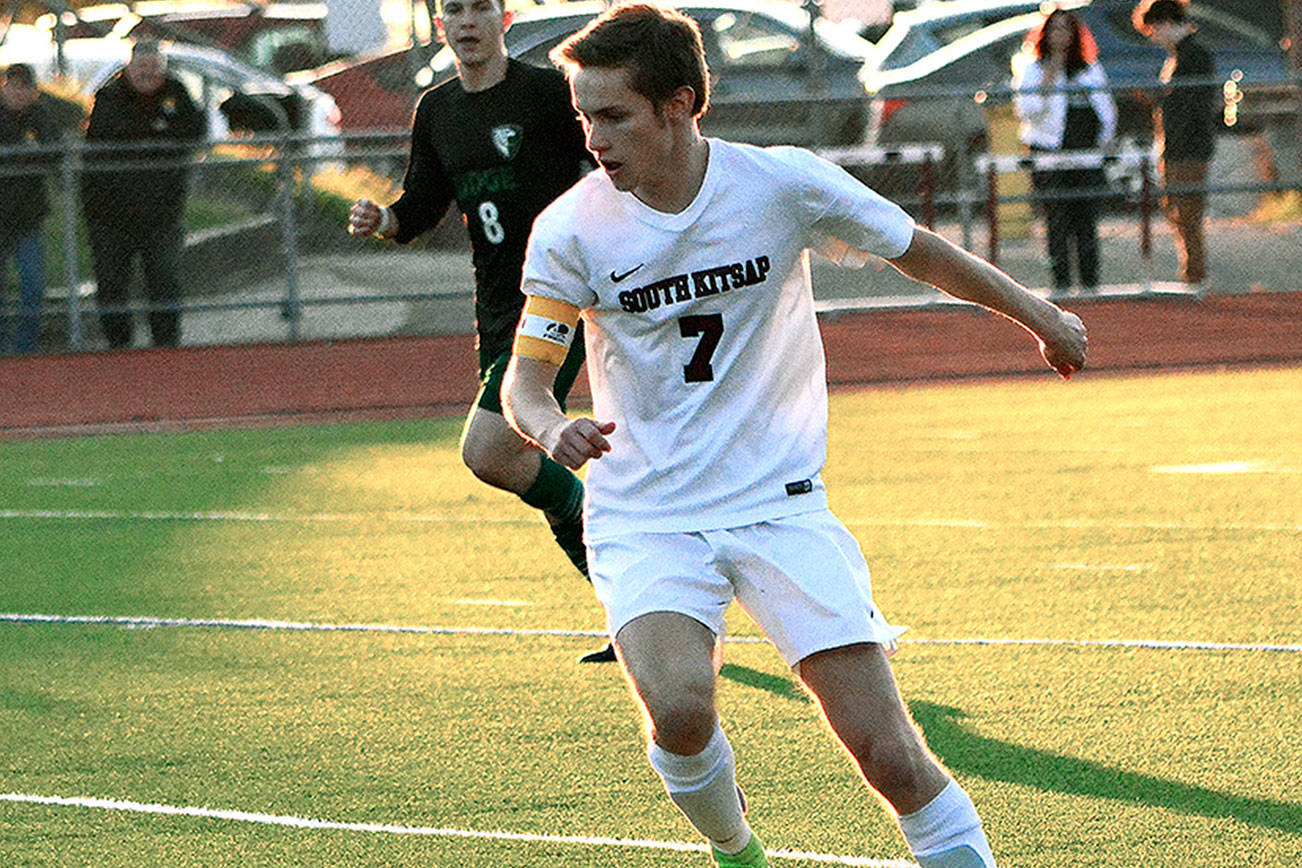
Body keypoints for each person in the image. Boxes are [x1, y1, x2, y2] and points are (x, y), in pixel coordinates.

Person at [501, 4, 1086, 866]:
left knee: (890, 755)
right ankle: (738, 848)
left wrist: (1039, 314)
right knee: (681, 708)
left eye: (613, 114)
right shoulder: (572, 229)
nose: (593, 136)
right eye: (584, 116)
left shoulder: (782, 183)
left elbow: (919, 251)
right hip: (647, 514)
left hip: (780, 507)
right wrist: (552, 427)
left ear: (681, 104)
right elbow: (524, 380)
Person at [346, 0, 613, 663]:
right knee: (513, 456)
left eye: (479, 9)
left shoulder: (550, 93)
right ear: (442, 24)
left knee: (489, 450)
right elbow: (421, 207)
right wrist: (382, 220)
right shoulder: (437, 110)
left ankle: (625, 571)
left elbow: (614, 162)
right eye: (454, 10)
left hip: (561, 299)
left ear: (505, 18)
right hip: (495, 310)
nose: (467, 21)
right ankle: (628, 602)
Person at [82, 40, 206, 349]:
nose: (149, 75)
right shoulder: (109, 97)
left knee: (165, 279)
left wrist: (157, 134)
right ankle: (119, 347)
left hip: (162, 213)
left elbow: (193, 131)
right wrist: (157, 133)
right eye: (142, 68)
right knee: (111, 284)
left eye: (155, 68)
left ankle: (165, 345)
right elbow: (112, 136)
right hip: (110, 215)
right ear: (130, 67)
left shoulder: (175, 93)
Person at [1012, 8, 1117, 294]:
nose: (1061, 35)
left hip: (1085, 151)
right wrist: (1050, 75)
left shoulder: (1089, 67)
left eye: (1066, 29)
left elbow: (1105, 108)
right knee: (1056, 218)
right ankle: (1060, 282)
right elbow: (1027, 110)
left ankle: (1090, 281)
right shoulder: (1033, 68)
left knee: (1085, 217)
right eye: (1055, 29)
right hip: (1048, 150)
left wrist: (1106, 138)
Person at [1132, 0, 1216, 286]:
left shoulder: (1193, 57)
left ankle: (1195, 277)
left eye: (1153, 29)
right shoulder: (1180, 57)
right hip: (1176, 147)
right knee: (1179, 213)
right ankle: (1192, 275)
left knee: (1187, 214)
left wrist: (1165, 103)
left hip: (1187, 149)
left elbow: (1192, 106)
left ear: (1166, 22)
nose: (1153, 36)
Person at [0, 64, 62, 354]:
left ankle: (26, 349)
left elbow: (52, 154)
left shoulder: (41, 116)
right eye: (13, 85)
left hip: (27, 218)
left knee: (33, 285)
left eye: (24, 86)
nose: (18, 92)